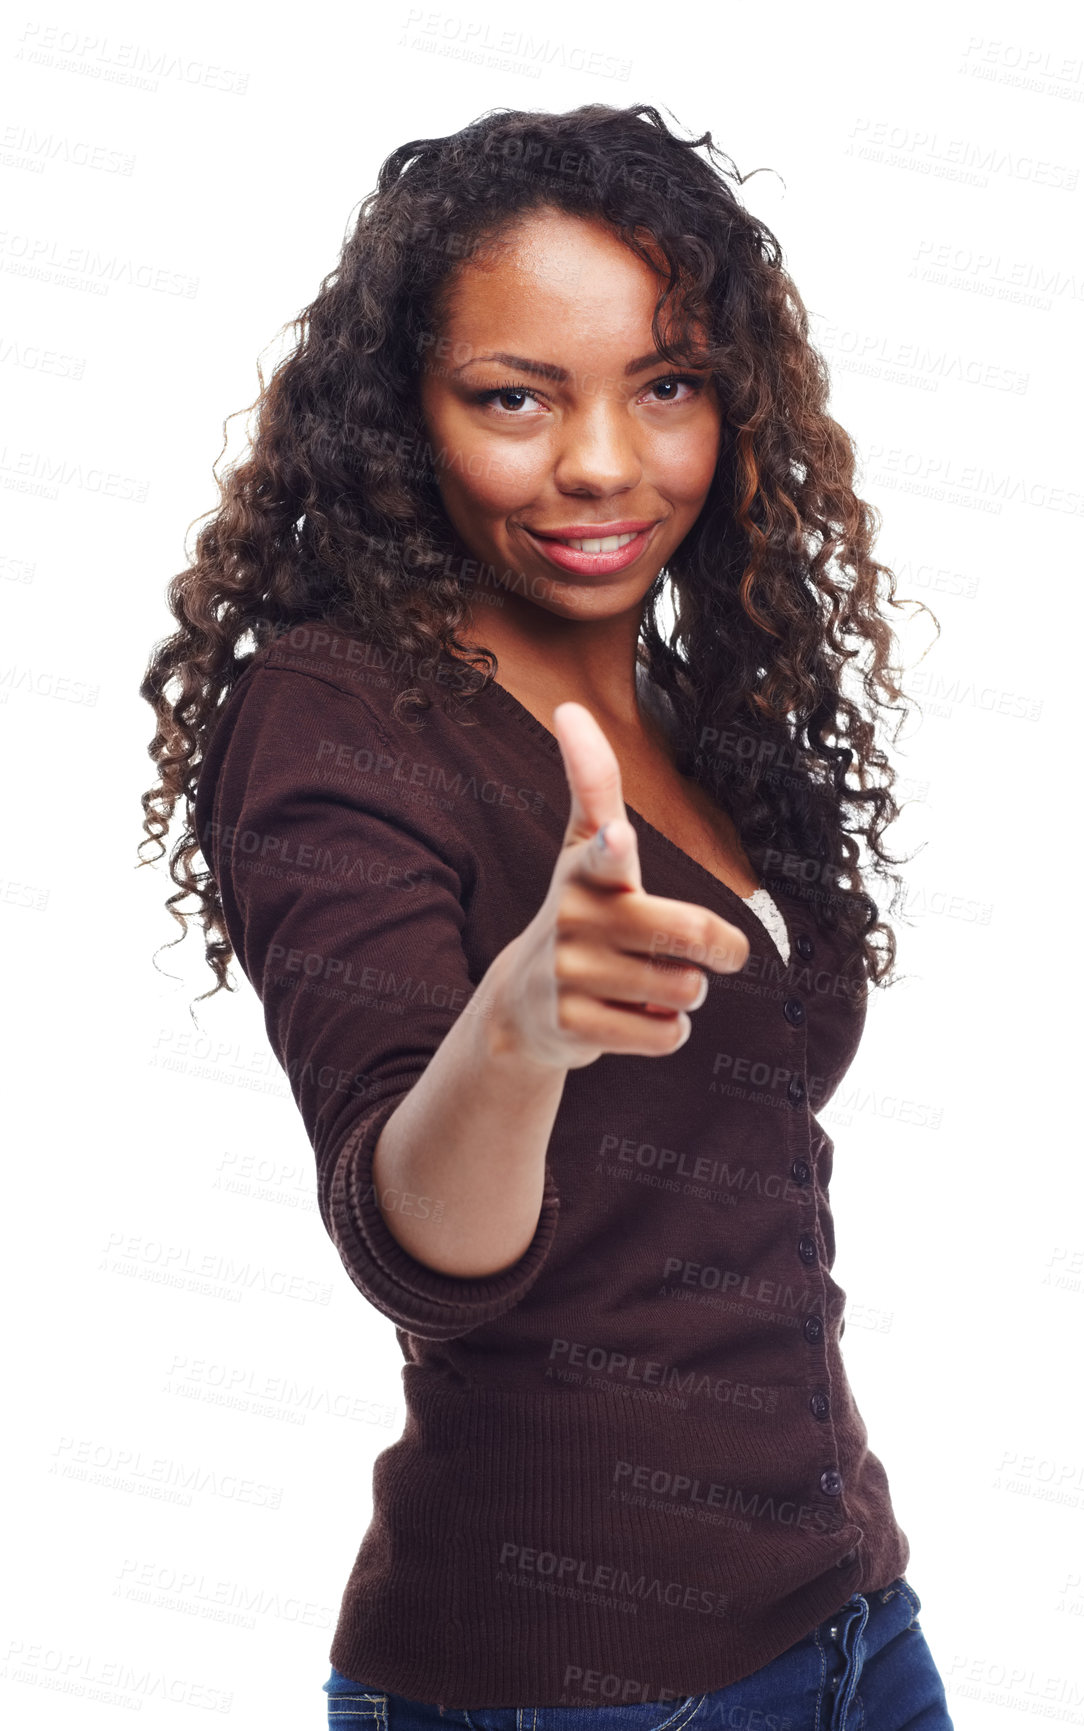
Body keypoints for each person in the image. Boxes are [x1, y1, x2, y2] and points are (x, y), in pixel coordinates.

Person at [139, 102, 952, 1729]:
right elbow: (410, 1237)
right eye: (514, 397)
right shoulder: (335, 714)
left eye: (665, 385)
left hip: (850, 1619)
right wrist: (517, 1027)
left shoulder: (684, 690)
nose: (600, 460)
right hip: (567, 1686)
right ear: (401, 416)